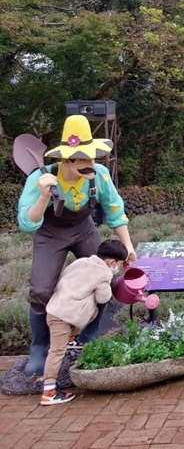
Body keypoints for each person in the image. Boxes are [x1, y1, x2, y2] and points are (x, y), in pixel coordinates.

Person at [16, 115, 136, 378]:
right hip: (49, 235)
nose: (90, 164)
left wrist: (127, 246)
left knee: (105, 278)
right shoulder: (41, 178)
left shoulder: (99, 176)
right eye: (82, 159)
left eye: (91, 157)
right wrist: (44, 195)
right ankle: (40, 347)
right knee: (41, 291)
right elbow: (27, 223)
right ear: (65, 160)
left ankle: (88, 337)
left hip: (84, 230)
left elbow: (115, 210)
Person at [40, 238, 128, 405]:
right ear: (111, 262)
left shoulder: (81, 262)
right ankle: (49, 391)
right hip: (63, 317)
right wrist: (108, 283)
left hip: (55, 309)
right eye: (118, 263)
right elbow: (104, 298)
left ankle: (72, 340)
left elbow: (66, 276)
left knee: (90, 311)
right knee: (56, 351)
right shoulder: (103, 273)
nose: (117, 267)